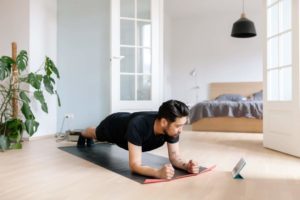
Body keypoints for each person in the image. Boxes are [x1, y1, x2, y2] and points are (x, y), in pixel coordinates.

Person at [77, 100, 199, 179]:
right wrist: (158, 173)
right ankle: (82, 132)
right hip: (113, 125)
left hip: (128, 121)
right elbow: (135, 165)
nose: (181, 130)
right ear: (163, 122)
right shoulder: (139, 125)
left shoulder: (171, 127)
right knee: (95, 134)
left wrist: (186, 166)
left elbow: (174, 157)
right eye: (178, 126)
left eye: (182, 126)